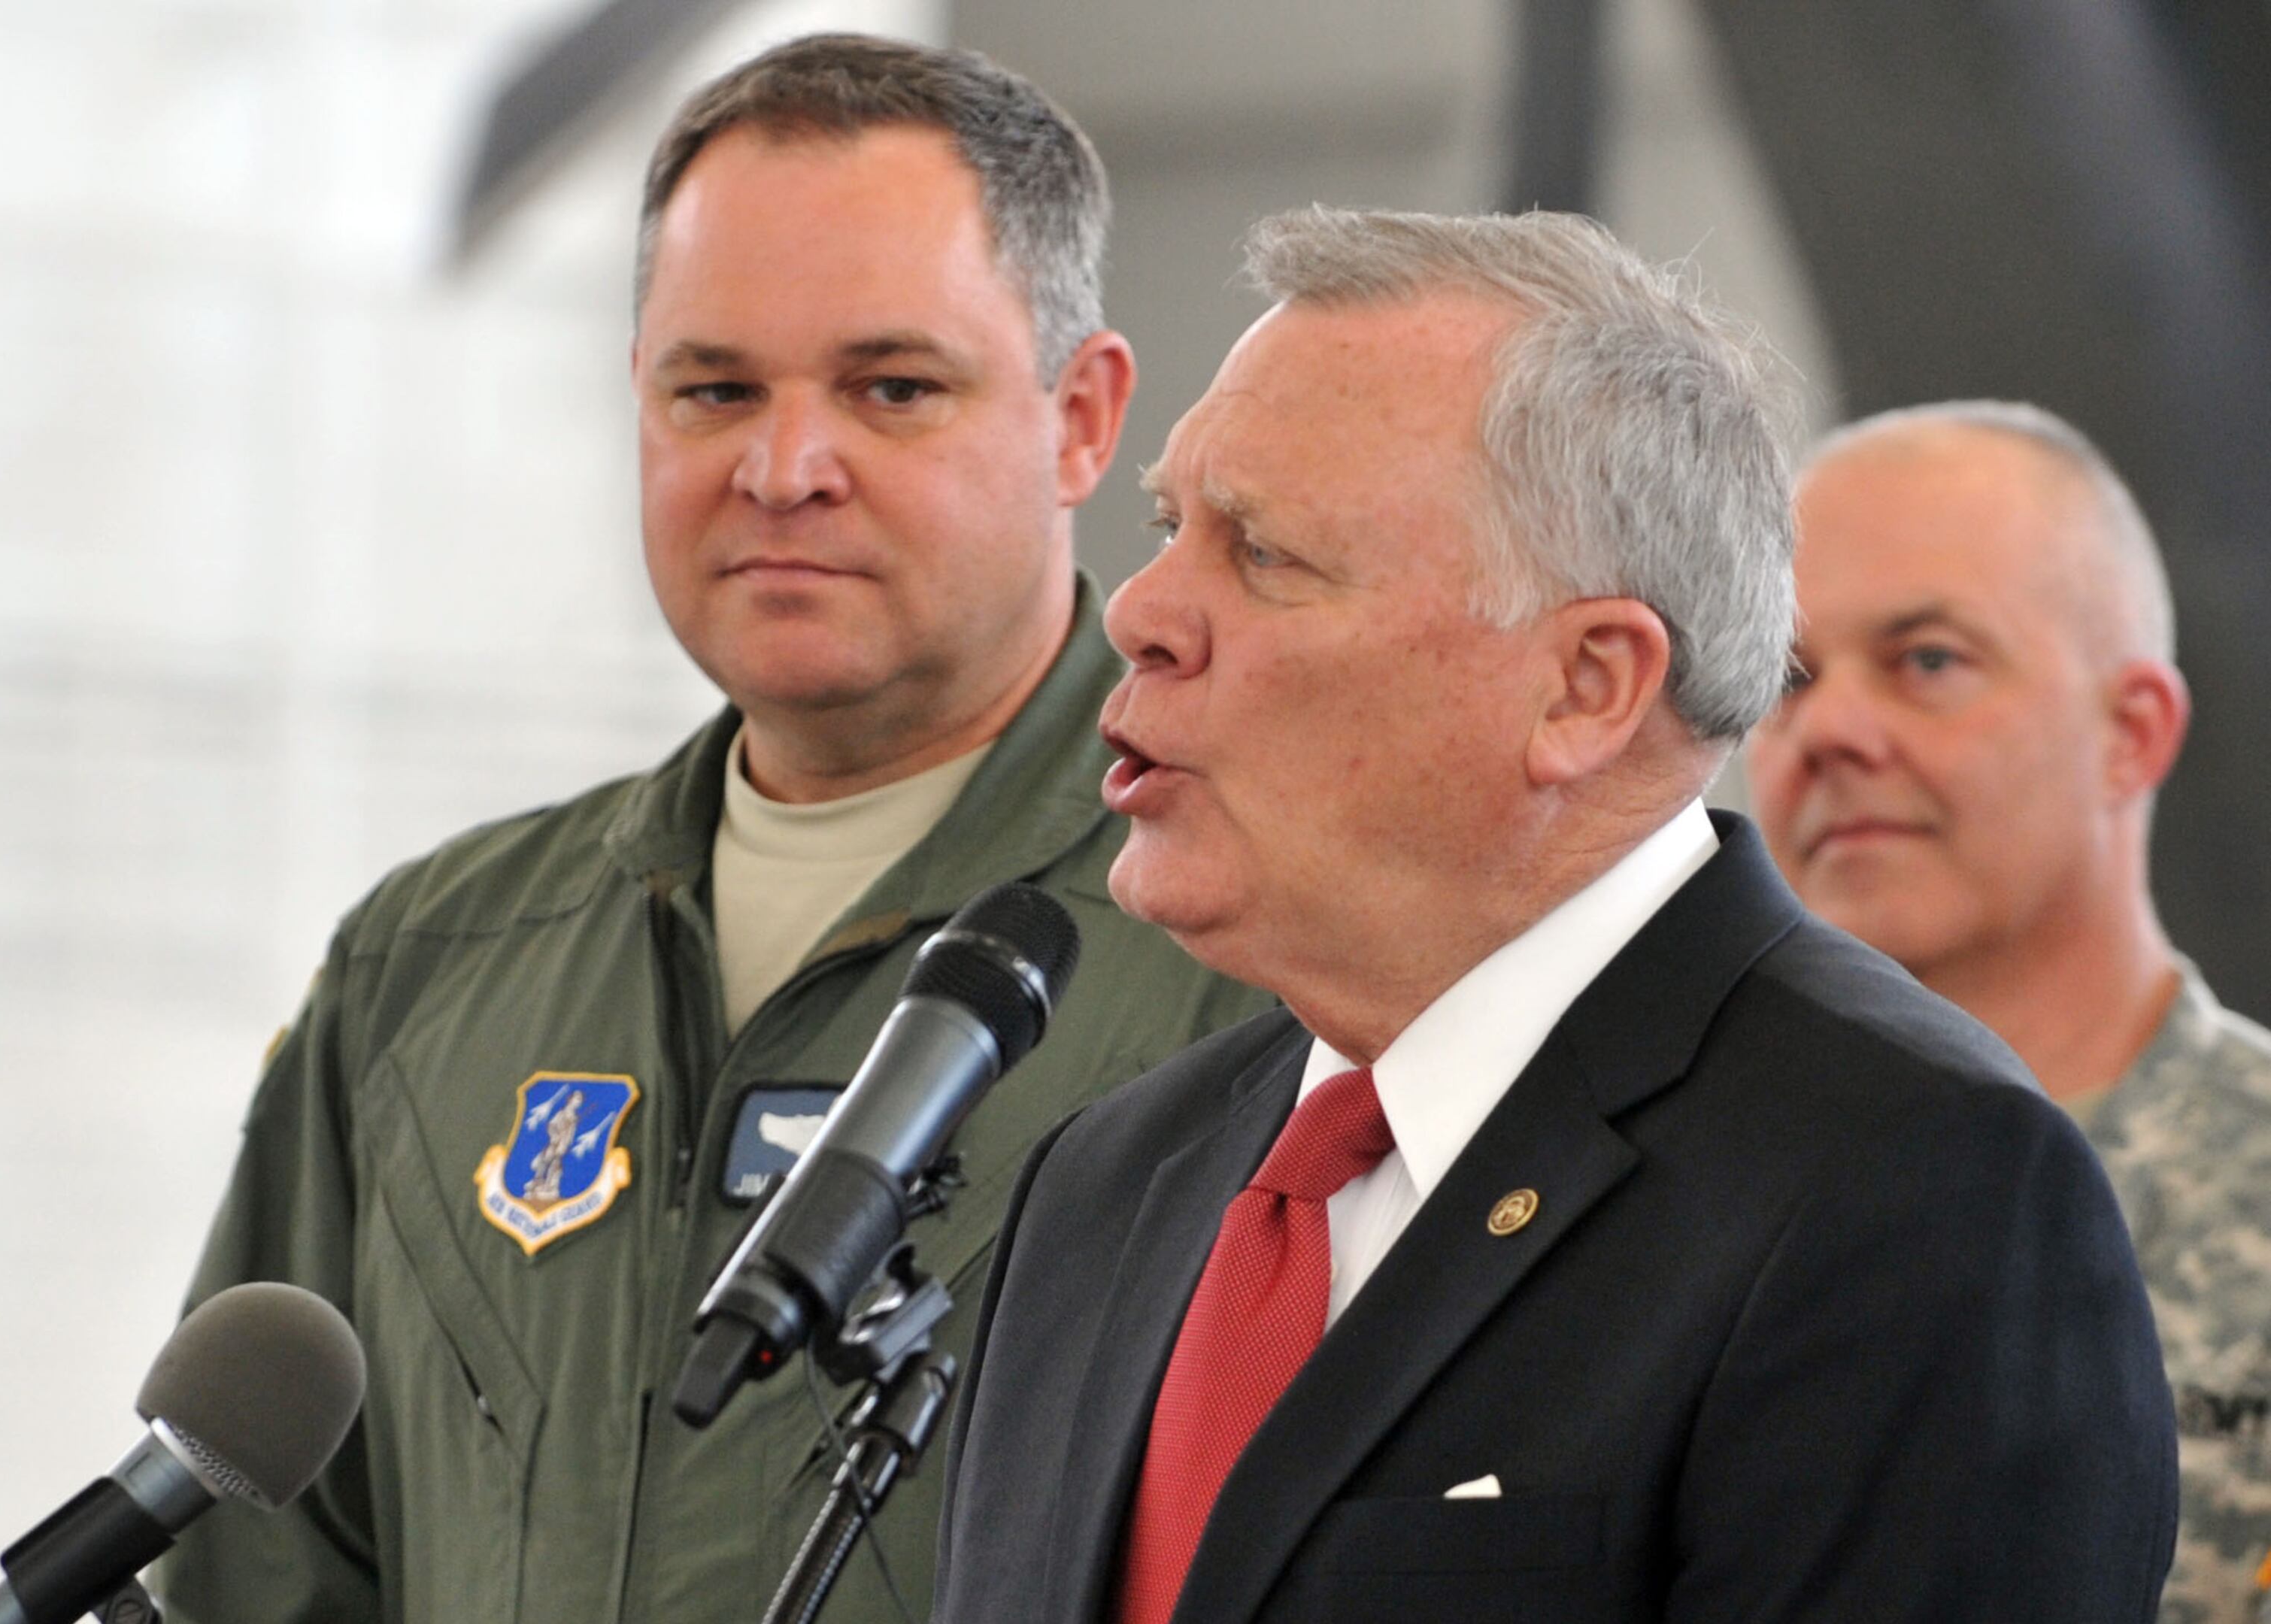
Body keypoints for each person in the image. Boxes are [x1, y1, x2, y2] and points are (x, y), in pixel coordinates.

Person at [151, 34, 1272, 1624]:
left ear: (1082, 419)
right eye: (715, 388)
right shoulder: (430, 973)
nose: (784, 467)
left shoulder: (1267, 959)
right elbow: (247, 1580)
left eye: (893, 387)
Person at [930, 207, 2175, 1624]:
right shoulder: (1109, 1180)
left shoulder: (1915, 1187)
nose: (1142, 610)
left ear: (1587, 687)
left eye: (1264, 553)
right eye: (1168, 528)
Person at [1745, 401, 2271, 1623]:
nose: (1831, 731)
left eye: (1928, 661)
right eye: (1788, 677)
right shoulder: (1659, 1207)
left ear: (2130, 734)